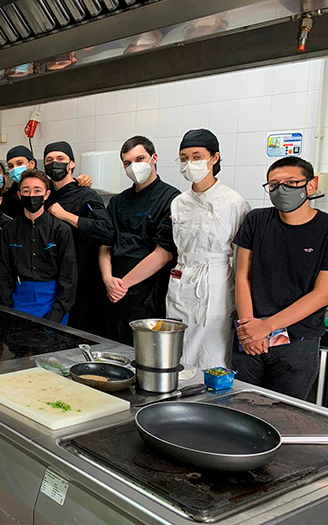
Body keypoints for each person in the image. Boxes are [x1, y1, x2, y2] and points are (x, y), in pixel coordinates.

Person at [232, 157, 328, 399]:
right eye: (273, 185)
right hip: (249, 335)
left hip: (297, 341)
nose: (282, 190)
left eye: (291, 183)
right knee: (239, 409)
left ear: (311, 185)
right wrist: (248, 327)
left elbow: (323, 293)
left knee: (285, 416)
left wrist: (266, 327)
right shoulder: (256, 220)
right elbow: (242, 275)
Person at [167, 129, 251, 369]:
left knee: (211, 352)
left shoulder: (233, 202)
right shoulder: (178, 202)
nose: (189, 163)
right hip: (181, 280)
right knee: (177, 349)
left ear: (214, 158)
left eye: (196, 156)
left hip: (216, 284)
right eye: (184, 158)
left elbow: (241, 257)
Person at [100, 136, 180, 345]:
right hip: (113, 293)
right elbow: (105, 245)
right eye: (127, 163)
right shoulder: (118, 201)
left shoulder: (172, 199)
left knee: (142, 355)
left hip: (148, 296)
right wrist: (108, 279)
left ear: (154, 158)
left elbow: (163, 254)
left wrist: (122, 285)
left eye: (140, 159)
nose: (133, 166)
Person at [43, 141, 114, 336]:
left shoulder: (86, 195)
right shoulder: (45, 196)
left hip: (83, 283)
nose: (54, 163)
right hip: (52, 281)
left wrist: (66, 216)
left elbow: (106, 230)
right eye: (49, 160)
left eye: (60, 159)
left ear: (71, 164)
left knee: (78, 334)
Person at [0, 170, 76, 323]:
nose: (31, 195)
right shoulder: (9, 230)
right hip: (18, 302)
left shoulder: (61, 230)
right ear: (19, 195)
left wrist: (56, 315)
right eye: (26, 190)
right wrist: (7, 309)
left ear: (46, 194)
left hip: (53, 303)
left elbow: (69, 277)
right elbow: (2, 272)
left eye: (37, 190)